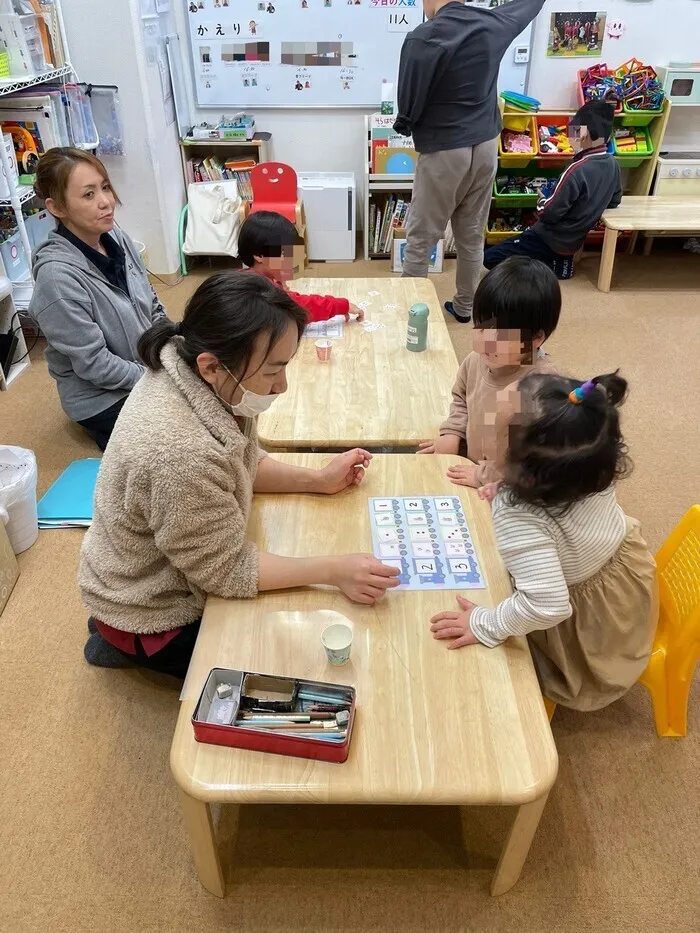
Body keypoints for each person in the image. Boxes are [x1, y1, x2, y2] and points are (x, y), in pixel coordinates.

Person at [80, 273, 399, 677]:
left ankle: (113, 634)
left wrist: (318, 479)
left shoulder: (198, 373)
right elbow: (227, 571)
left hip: (151, 553)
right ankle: (119, 643)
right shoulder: (180, 451)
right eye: (272, 371)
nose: (282, 386)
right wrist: (332, 571)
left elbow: (240, 465)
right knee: (281, 662)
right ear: (212, 367)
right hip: (149, 609)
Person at [429, 371, 657, 712]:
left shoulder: (516, 514)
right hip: (627, 578)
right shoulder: (587, 460)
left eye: (493, 427)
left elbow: (547, 606)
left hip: (587, 622)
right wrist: (499, 478)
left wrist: (487, 624)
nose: (485, 416)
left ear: (527, 476)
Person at [393, 0, 545, 323]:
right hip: (487, 146)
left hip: (445, 148)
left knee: (422, 238)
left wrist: (407, 123)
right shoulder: (494, 23)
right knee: (472, 236)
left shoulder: (423, 37)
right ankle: (465, 308)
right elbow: (530, 5)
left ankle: (410, 316)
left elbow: (407, 106)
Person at [29, 148, 168, 450]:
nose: (106, 201)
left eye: (105, 187)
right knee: (182, 436)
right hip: (102, 397)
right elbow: (95, 365)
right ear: (57, 208)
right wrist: (158, 376)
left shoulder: (115, 235)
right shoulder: (57, 278)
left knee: (212, 385)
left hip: (145, 366)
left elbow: (152, 302)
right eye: (88, 195)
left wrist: (169, 347)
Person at [417, 257, 559, 489]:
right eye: (480, 328)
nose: (485, 344)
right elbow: (462, 397)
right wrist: (452, 433)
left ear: (535, 339)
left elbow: (528, 461)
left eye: (500, 337)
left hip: (509, 487)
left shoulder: (540, 387)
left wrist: (484, 476)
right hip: (474, 461)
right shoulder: (478, 359)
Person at [483, 101, 622, 278]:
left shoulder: (576, 170)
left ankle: (541, 265)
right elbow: (614, 200)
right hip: (572, 242)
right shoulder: (613, 165)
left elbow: (548, 213)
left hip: (548, 238)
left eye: (573, 132)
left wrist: (541, 198)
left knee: (489, 257)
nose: (570, 137)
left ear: (584, 135)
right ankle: (558, 265)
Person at [237, 210, 364, 322]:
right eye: (283, 253)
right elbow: (302, 307)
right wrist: (343, 305)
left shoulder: (247, 276)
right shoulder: (262, 294)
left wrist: (279, 284)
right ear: (259, 255)